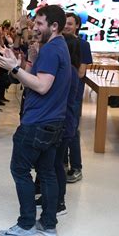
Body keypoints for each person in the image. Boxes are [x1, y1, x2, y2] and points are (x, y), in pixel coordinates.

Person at [0, 5, 71, 236]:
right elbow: (33, 79)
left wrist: (14, 68)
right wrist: (26, 62)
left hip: (37, 123)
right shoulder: (56, 48)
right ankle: (48, 224)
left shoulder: (51, 50)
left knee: (19, 169)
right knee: (47, 172)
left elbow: (41, 85)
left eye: (39, 24)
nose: (34, 28)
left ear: (54, 26)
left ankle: (26, 224)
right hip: (53, 121)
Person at [35, 33, 81, 216]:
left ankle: (59, 201)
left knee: (55, 165)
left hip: (64, 123)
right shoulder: (68, 68)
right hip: (63, 121)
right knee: (50, 163)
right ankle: (50, 196)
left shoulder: (67, 70)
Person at [62, 12, 93, 183]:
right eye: (65, 23)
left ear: (77, 26)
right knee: (62, 130)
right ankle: (63, 163)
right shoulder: (59, 43)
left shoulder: (83, 45)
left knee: (72, 130)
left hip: (72, 94)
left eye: (70, 24)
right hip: (59, 95)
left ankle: (76, 167)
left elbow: (81, 72)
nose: (67, 26)